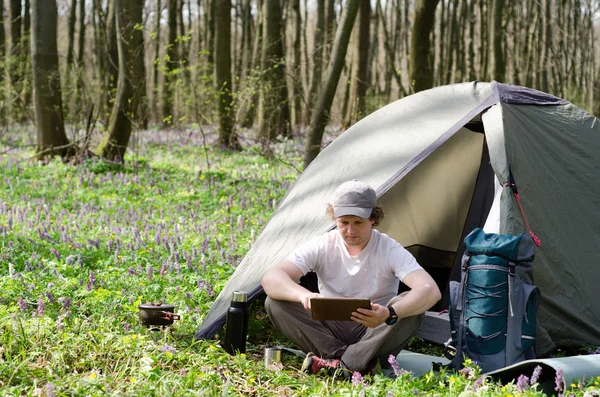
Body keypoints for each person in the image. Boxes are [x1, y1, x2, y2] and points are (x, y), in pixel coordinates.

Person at [261, 180, 441, 375]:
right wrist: (304, 296)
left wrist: (389, 313)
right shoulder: (323, 244)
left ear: (373, 218)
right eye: (343, 223)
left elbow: (429, 289)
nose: (350, 231)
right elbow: (272, 278)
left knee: (411, 304)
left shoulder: (389, 248)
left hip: (374, 329)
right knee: (275, 302)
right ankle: (349, 363)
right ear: (334, 219)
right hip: (329, 329)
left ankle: (339, 364)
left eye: (358, 223)